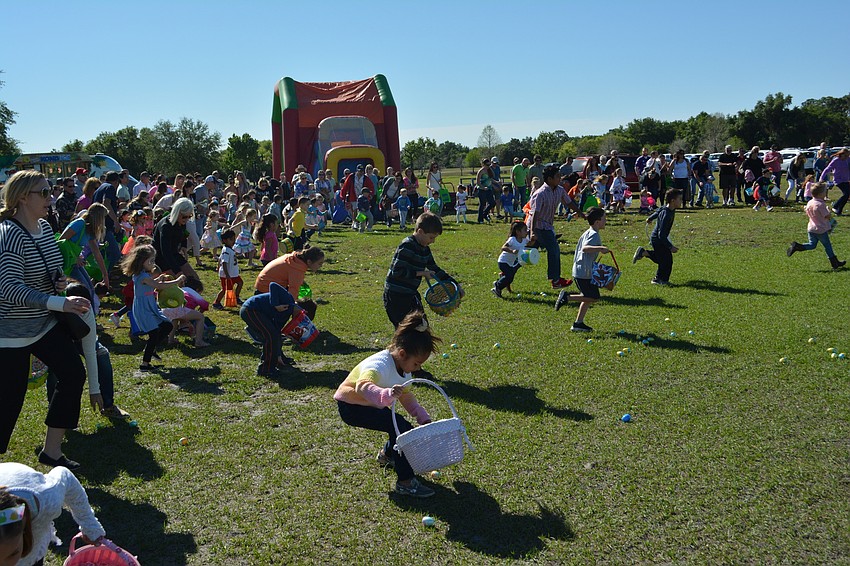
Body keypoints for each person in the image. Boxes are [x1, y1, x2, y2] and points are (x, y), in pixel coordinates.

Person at [0, 171, 91, 471]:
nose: (50, 197)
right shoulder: (9, 233)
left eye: (50, 190)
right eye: (44, 192)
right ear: (23, 197)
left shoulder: (42, 225)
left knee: (73, 374)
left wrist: (60, 282)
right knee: (8, 403)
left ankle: (52, 452)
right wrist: (59, 302)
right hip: (11, 333)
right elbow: (8, 287)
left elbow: (51, 270)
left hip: (43, 324)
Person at [334, 310, 438, 498]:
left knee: (396, 425)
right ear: (402, 353)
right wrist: (386, 394)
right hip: (351, 406)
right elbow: (362, 386)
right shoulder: (379, 365)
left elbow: (406, 396)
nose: (418, 368)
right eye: (416, 364)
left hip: (370, 404)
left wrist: (422, 416)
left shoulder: (403, 367)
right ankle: (405, 482)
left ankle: (388, 455)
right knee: (401, 429)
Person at [0, 464, 106, 566]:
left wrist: (90, 525)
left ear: (24, 528)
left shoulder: (47, 499)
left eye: (13, 554)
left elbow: (66, 477)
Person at [384, 212, 462, 328]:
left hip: (410, 294)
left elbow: (435, 269)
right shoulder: (407, 246)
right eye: (431, 237)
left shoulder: (425, 249)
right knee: (406, 331)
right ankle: (400, 346)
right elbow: (397, 272)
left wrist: (456, 285)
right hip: (396, 296)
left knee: (422, 326)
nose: (433, 241)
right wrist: (421, 273)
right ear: (420, 232)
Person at [121, 244, 185, 371]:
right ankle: (145, 363)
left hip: (150, 306)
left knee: (167, 326)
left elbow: (152, 285)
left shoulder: (143, 275)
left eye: (153, 260)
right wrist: (177, 281)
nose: (153, 264)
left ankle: (151, 349)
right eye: (150, 261)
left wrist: (158, 279)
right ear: (141, 262)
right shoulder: (143, 276)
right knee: (154, 333)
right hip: (144, 308)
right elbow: (158, 286)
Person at [526, 165, 583, 289]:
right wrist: (532, 232)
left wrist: (580, 212)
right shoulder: (539, 193)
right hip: (538, 227)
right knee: (554, 250)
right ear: (550, 179)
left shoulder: (560, 190)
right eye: (557, 176)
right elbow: (534, 214)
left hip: (547, 226)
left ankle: (506, 272)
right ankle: (556, 280)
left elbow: (568, 202)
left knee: (527, 254)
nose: (560, 178)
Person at [555, 207, 610, 332]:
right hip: (583, 272)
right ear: (597, 222)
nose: (605, 221)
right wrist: (600, 248)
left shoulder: (589, 232)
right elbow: (585, 249)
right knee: (594, 297)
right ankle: (567, 297)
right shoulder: (594, 235)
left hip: (582, 270)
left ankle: (578, 323)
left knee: (587, 297)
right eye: (604, 219)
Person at [58, 203, 110, 314]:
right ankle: (85, 317)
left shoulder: (89, 230)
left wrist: (105, 275)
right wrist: (75, 257)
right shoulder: (80, 224)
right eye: (103, 217)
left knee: (90, 288)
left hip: (75, 262)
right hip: (68, 262)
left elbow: (97, 253)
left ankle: (90, 317)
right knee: (83, 290)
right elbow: (62, 241)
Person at [240, 281, 300, 376]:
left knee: (274, 335)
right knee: (270, 336)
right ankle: (265, 369)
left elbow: (277, 332)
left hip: (259, 313)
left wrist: (279, 355)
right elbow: (273, 285)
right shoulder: (288, 299)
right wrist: (275, 304)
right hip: (250, 309)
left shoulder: (287, 313)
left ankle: (278, 360)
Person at [787, 182, 846, 269]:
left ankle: (797, 246)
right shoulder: (820, 204)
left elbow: (808, 211)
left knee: (812, 245)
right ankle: (834, 262)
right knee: (827, 246)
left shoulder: (810, 202)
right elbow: (827, 216)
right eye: (824, 192)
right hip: (821, 229)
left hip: (811, 228)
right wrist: (828, 210)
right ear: (820, 194)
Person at [254, 246, 325, 319]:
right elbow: (293, 292)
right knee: (289, 308)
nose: (321, 266)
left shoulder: (294, 259)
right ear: (309, 262)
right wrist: (294, 308)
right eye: (319, 263)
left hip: (262, 284)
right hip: (266, 290)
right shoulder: (297, 269)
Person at [632, 188, 683, 285]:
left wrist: (650, 218)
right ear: (673, 201)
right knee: (666, 260)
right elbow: (661, 234)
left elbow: (657, 211)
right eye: (679, 199)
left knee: (662, 258)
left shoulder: (667, 208)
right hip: (659, 239)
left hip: (659, 239)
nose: (681, 201)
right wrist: (670, 246)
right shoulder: (667, 214)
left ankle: (643, 253)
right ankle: (660, 279)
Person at [151, 197, 201, 282]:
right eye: (184, 216)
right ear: (177, 212)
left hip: (175, 254)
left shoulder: (182, 222)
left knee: (195, 280)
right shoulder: (166, 227)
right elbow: (165, 252)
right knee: (179, 283)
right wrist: (177, 272)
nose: (187, 219)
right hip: (162, 259)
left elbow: (184, 233)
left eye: (189, 216)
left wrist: (184, 246)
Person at [91, 171, 122, 269]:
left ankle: (102, 275)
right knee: (115, 254)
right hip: (103, 226)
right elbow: (106, 203)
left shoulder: (99, 188)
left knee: (104, 253)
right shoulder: (110, 187)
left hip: (97, 225)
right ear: (116, 182)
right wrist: (116, 222)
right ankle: (105, 275)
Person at [491, 221, 530, 298]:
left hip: (512, 262)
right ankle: (497, 286)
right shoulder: (512, 239)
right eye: (525, 230)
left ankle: (501, 280)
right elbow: (503, 247)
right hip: (503, 261)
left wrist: (534, 240)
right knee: (509, 276)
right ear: (518, 232)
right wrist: (512, 251)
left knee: (510, 275)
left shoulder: (524, 240)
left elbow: (530, 245)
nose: (527, 232)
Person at [213, 230, 242, 310]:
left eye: (234, 239)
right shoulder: (226, 251)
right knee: (225, 289)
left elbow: (219, 259)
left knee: (240, 283)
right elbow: (224, 262)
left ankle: (236, 297)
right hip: (227, 275)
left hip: (233, 274)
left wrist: (218, 266)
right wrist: (227, 274)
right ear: (225, 240)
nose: (233, 241)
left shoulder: (229, 249)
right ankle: (216, 302)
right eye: (231, 239)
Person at [819, 148, 850, 215]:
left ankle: (839, 211)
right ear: (842, 154)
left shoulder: (847, 159)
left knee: (847, 195)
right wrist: (821, 178)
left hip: (846, 179)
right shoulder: (836, 160)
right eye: (846, 156)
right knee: (846, 194)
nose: (847, 157)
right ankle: (835, 206)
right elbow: (827, 169)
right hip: (838, 180)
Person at [476, 158, 497, 223]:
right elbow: (478, 182)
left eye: (489, 164)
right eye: (487, 165)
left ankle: (484, 214)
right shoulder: (481, 171)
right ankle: (480, 219)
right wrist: (483, 187)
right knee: (482, 204)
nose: (488, 166)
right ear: (483, 164)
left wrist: (497, 182)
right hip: (481, 189)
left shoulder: (489, 170)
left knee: (492, 203)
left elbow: (490, 179)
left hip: (489, 189)